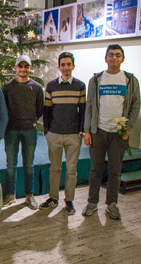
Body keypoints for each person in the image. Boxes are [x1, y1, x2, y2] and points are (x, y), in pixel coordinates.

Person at [82, 44, 141, 220]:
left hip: (119, 134)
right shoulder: (96, 80)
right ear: (105, 58)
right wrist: (87, 131)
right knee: (95, 170)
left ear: (122, 58)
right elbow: (90, 107)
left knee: (115, 171)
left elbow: (135, 105)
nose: (114, 58)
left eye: (118, 55)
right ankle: (92, 202)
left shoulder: (130, 80)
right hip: (98, 131)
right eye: (111, 55)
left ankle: (112, 204)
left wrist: (127, 127)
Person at [40, 52, 86, 215]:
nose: (66, 67)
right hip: (55, 134)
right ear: (59, 67)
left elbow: (83, 110)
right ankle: (53, 198)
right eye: (63, 64)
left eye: (69, 64)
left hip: (74, 135)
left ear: (73, 66)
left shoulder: (80, 86)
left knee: (72, 170)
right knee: (55, 168)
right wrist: (47, 130)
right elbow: (46, 110)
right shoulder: (51, 86)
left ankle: (69, 201)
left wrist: (81, 131)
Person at [2, 55, 44, 208]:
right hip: (11, 130)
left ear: (30, 69)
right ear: (15, 68)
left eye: (26, 66)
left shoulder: (37, 88)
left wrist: (30, 120)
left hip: (29, 131)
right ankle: (11, 195)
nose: (23, 69)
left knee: (28, 164)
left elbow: (40, 109)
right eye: (20, 66)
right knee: (10, 164)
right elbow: (3, 108)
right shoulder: (7, 87)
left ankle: (29, 195)